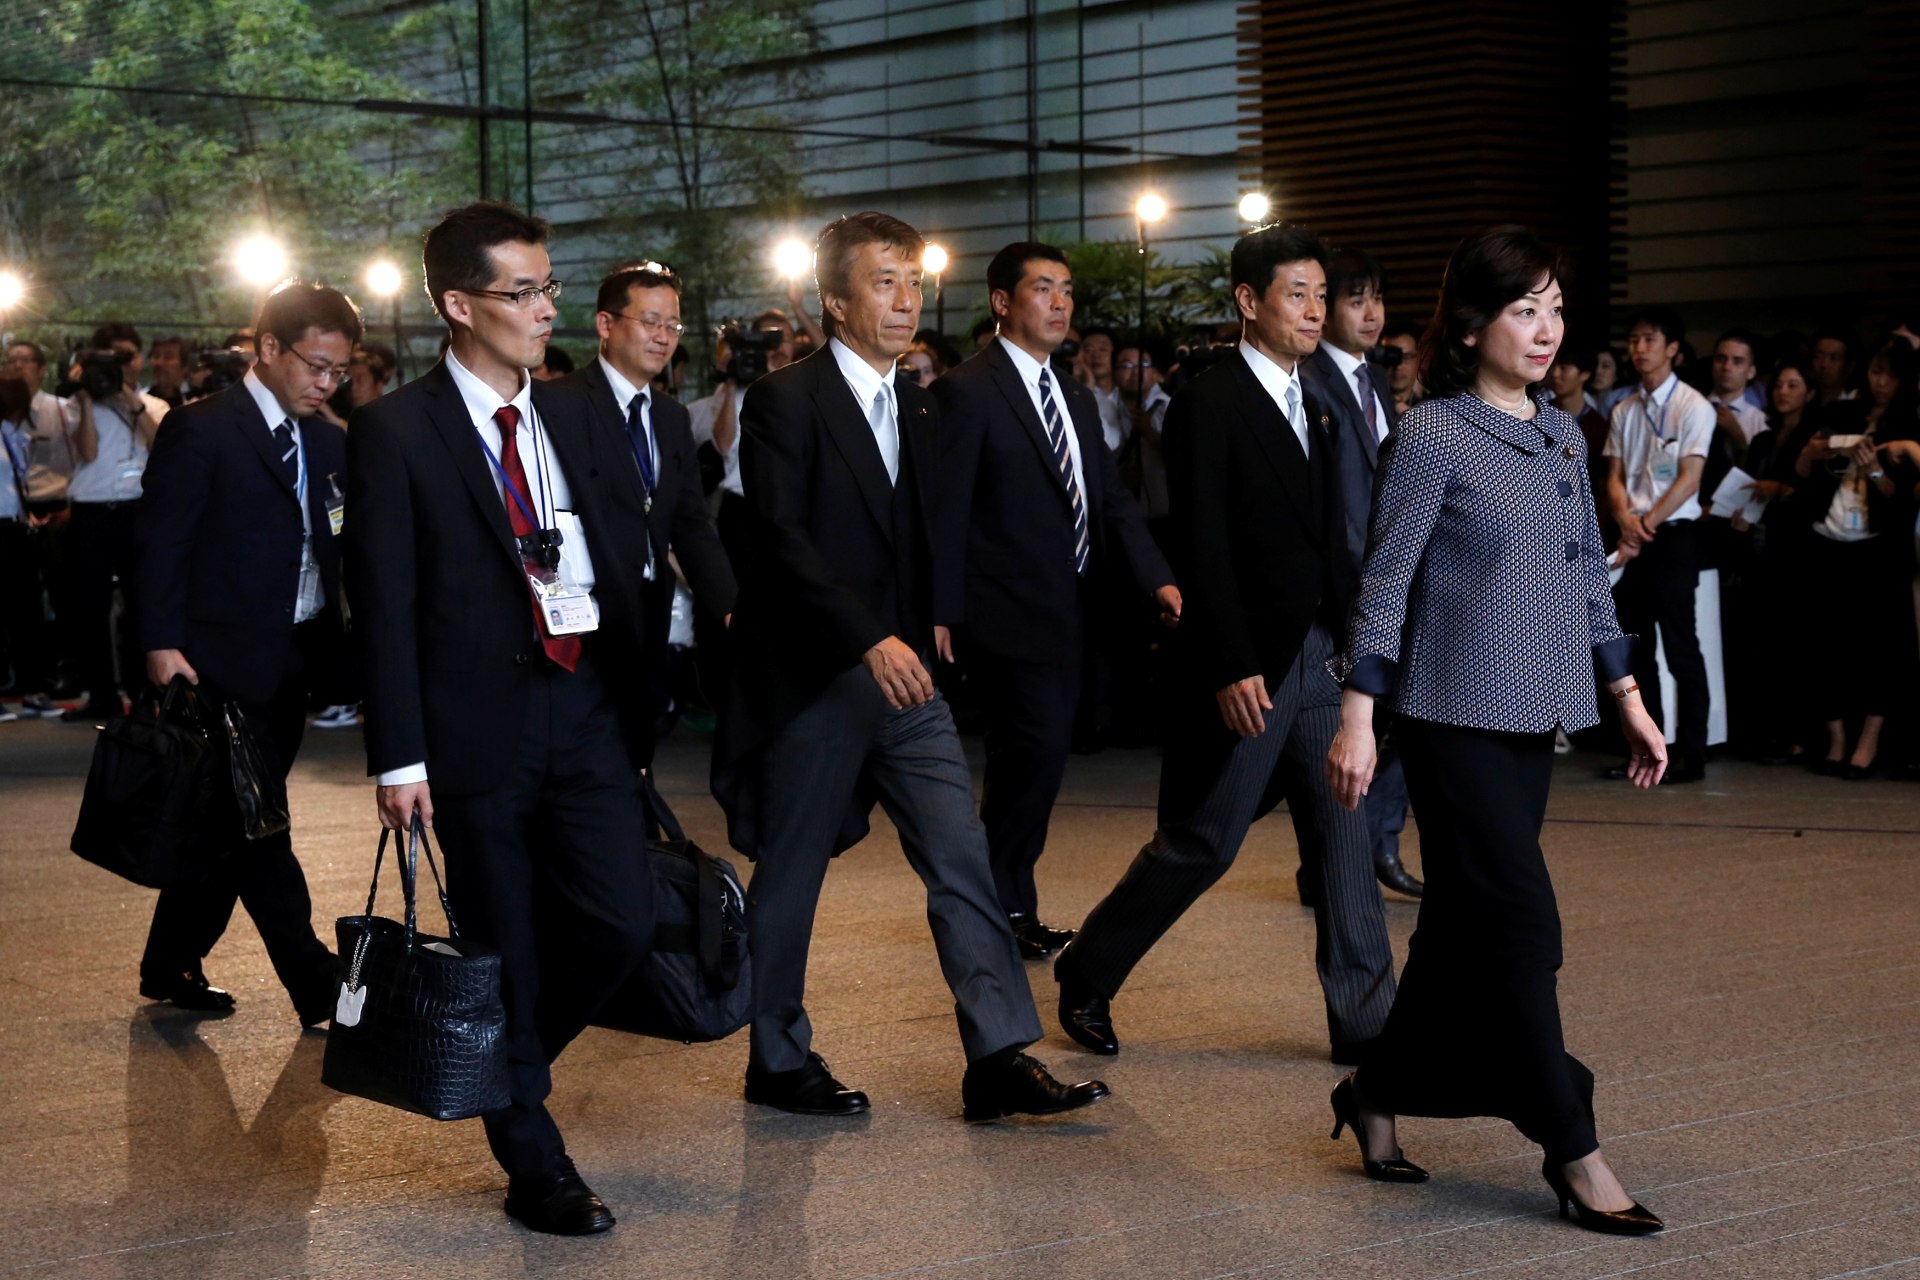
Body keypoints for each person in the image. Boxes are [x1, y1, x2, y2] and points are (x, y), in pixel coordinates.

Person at [711, 211, 1107, 1123]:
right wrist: (867, 638)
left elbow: (933, 529)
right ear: (835, 300)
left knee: (962, 856)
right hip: (819, 672)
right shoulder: (789, 399)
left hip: (908, 678)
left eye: (914, 281)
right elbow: (780, 540)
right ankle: (776, 1059)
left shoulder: (921, 401)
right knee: (793, 870)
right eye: (883, 281)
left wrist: (937, 618)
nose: (904, 299)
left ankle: (999, 1056)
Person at [1326, 224, 1667, 1236]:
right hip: (1450, 720)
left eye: (1556, 308)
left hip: (1537, 721)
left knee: (1456, 933)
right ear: (1472, 322)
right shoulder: (1433, 434)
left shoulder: (1564, 433)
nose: (1546, 328)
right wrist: (1357, 713)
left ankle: (1375, 1090)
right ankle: (1572, 1141)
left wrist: (1631, 701)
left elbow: (1585, 583)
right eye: (1525, 308)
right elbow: (1384, 581)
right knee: (1523, 924)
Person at [345, 201, 658, 1235]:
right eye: (521, 291)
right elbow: (382, 600)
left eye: (548, 285)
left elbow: (613, 547)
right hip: (476, 727)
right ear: (457, 303)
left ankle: (508, 1059)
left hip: (584, 703)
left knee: (623, 918)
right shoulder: (397, 429)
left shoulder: (572, 411)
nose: (542, 307)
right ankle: (535, 1160)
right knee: (505, 941)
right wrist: (400, 754)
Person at [1054, 223, 1397, 1069]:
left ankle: (1369, 1024)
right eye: (1298, 294)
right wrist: (1229, 661)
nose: (1316, 311)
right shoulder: (1211, 401)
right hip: (1252, 659)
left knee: (1347, 833)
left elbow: (1330, 542)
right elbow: (1201, 544)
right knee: (1207, 838)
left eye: (1323, 295)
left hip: (1323, 655)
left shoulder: (1315, 397)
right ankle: (1089, 968)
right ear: (1250, 302)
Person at [933, 241, 1178, 957]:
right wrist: (943, 608)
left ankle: (1010, 906)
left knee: (1035, 767)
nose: (1061, 302)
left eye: (1066, 289)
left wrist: (1157, 578)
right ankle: (1000, 909)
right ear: (1003, 302)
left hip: (1076, 613)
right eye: (1043, 288)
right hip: (1007, 613)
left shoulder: (1069, 392)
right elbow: (946, 510)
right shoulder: (967, 388)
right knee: (1029, 759)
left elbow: (1109, 500)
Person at [132, 282, 356, 1024]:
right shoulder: (204, 429)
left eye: (339, 372)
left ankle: (170, 962)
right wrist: (161, 643)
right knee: (261, 829)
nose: (326, 383)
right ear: (267, 349)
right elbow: (162, 543)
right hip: (215, 668)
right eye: (316, 366)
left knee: (227, 827)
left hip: (292, 664)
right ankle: (320, 985)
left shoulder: (328, 440)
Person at [558, 259, 736, 762]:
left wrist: (730, 607)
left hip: (650, 612)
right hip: (585, 617)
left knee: (635, 752)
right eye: (650, 322)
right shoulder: (560, 405)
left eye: (673, 325)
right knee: (583, 760)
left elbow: (690, 525)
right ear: (606, 324)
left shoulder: (670, 417)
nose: (664, 337)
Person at [1304, 245, 1420, 900]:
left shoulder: (1372, 377)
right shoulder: (1314, 381)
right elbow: (1341, 499)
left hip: (1382, 573)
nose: (1372, 314)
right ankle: (1352, 855)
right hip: (1348, 582)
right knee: (1356, 725)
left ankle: (1371, 846)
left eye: (1377, 299)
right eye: (1356, 299)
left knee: (1390, 721)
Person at [1789, 341, 1919, 777]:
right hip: (1829, 538)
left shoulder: (1908, 424)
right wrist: (1811, 454)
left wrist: (1875, 467)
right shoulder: (1844, 413)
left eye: (1890, 375)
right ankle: (1836, 739)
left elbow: (1903, 502)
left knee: (1880, 648)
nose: (1880, 382)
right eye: (1875, 372)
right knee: (1826, 643)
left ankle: (1868, 742)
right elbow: (1802, 475)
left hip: (1878, 548)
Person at [1605, 305, 1715, 783]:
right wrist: (1626, 521)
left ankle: (1692, 751)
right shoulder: (1624, 409)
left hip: (1671, 537)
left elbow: (1689, 480)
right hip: (1634, 532)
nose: (1640, 349)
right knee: (1635, 647)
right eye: (1634, 339)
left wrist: (1643, 525)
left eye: (1649, 339)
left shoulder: (1693, 405)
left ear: (1673, 348)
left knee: (1681, 645)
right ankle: (1650, 746)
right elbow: (1612, 478)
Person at [63, 324, 169, 722]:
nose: (120, 365)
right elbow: (87, 452)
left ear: (138, 359)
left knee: (143, 604)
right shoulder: (77, 404)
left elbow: (160, 448)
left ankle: (147, 696)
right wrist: (90, 398)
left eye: (126, 356)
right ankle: (102, 695)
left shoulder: (153, 404)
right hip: (91, 511)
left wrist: (129, 399)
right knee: (91, 608)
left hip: (136, 511)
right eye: (111, 358)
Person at [1708, 329, 1769, 457]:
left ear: (1751, 371)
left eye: (1737, 361)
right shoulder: (1690, 408)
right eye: (1721, 359)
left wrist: (1738, 437)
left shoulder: (1759, 422)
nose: (1727, 367)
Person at [1378, 320, 1422, 416]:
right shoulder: (1368, 405)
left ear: (1419, 360)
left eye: (1406, 357)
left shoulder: (1430, 407)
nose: (1398, 366)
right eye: (1391, 358)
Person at [1809, 330, 1859, 408]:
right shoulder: (1803, 402)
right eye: (1818, 356)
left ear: (1850, 366)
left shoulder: (1855, 406)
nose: (1824, 364)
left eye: (1834, 358)